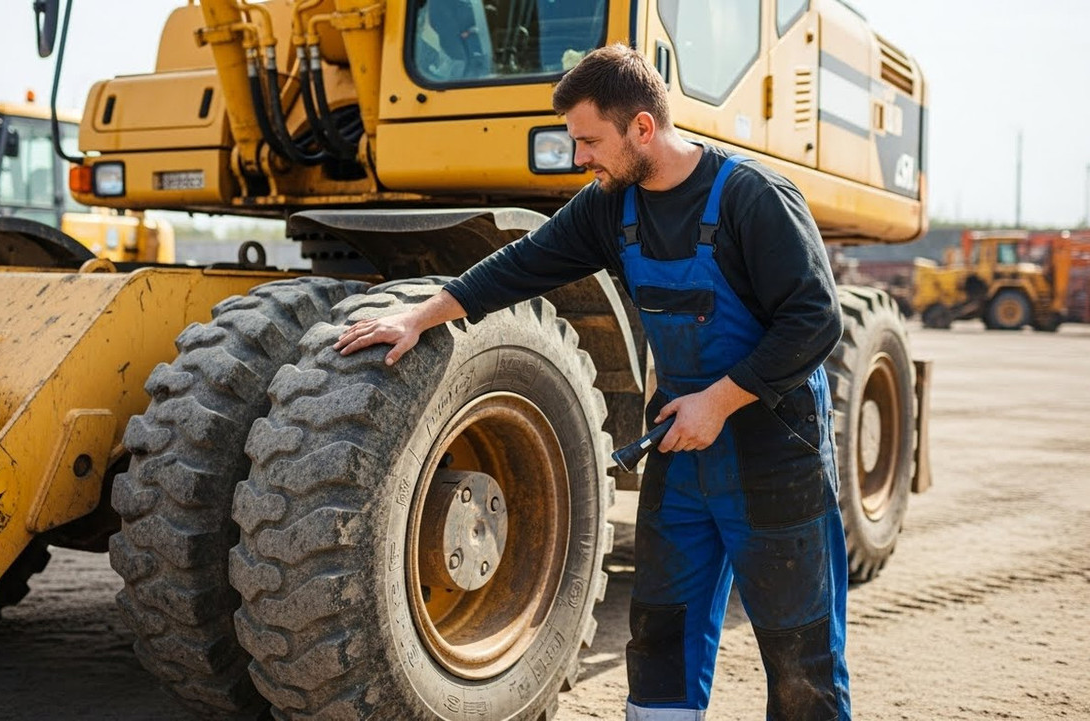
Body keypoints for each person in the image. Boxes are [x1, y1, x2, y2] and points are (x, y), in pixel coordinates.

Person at [334, 44, 849, 720]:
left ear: (642, 127)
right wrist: (424, 313)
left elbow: (816, 320)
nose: (580, 157)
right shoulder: (613, 204)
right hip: (682, 447)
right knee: (662, 631)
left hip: (774, 447)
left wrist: (720, 401)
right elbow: (525, 263)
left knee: (798, 651)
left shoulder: (752, 197)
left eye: (588, 140)